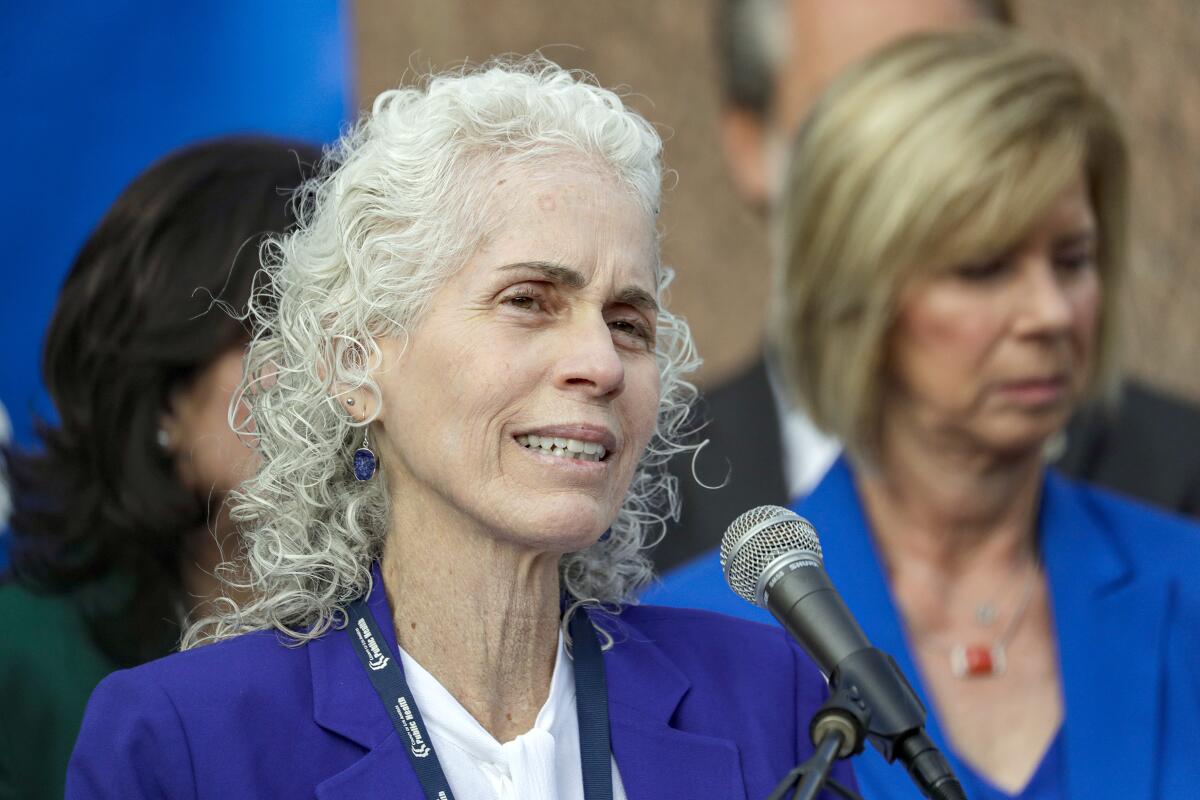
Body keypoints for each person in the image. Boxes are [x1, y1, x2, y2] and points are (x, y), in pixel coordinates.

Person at [65, 60, 856, 800]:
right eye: (527, 300)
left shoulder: (772, 699)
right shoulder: (182, 741)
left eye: (628, 321)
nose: (601, 363)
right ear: (354, 364)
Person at [648, 29, 1200, 799]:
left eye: (1072, 261)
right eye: (983, 268)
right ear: (856, 294)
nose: (1047, 312)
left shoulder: (1185, 581)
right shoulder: (685, 642)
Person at [652, 0, 1200, 573]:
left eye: (969, 100)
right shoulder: (627, 503)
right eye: (876, 115)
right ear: (749, 142)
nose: (1048, 313)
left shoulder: (1179, 484)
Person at [0, 136, 321, 800]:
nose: (332, 379)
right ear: (162, 393)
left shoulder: (424, 650)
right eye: (279, 331)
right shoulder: (20, 664)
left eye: (353, 338)